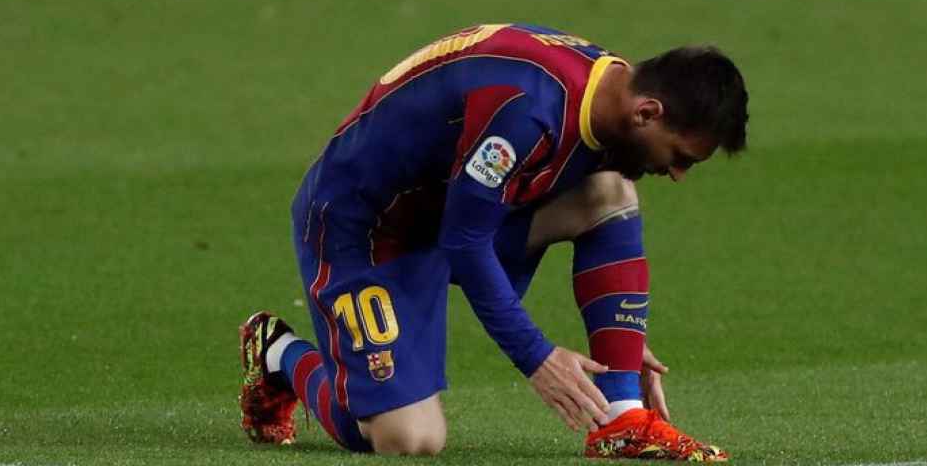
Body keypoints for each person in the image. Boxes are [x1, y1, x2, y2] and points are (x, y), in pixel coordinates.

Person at [238, 23, 748, 460]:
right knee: (406, 438)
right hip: (364, 228)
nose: (678, 174)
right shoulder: (530, 112)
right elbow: (465, 241)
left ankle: (622, 419)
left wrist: (621, 340)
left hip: (451, 208)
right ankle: (279, 355)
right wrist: (538, 357)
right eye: (682, 157)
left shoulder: (608, 87)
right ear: (648, 112)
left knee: (610, 190)